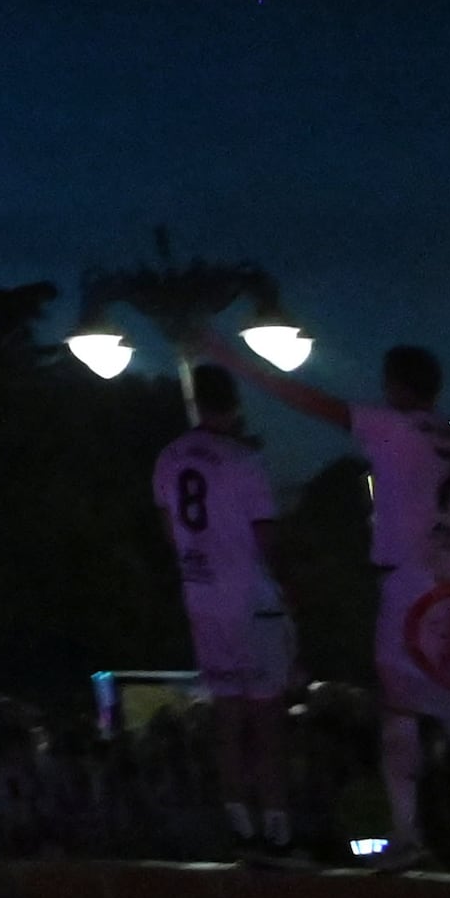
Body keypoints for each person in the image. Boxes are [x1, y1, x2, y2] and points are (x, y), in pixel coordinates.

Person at [213, 333, 450, 870]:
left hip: (409, 583)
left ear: (394, 385)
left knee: (401, 711)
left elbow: (310, 401)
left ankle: (406, 833)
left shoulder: (390, 426)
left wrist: (235, 362)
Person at [149, 362, 298, 847]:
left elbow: (170, 530)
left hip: (202, 595)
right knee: (267, 717)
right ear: (234, 405)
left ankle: (238, 822)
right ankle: (276, 824)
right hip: (248, 595)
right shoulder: (243, 459)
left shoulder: (169, 458)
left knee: (228, 715)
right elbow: (267, 535)